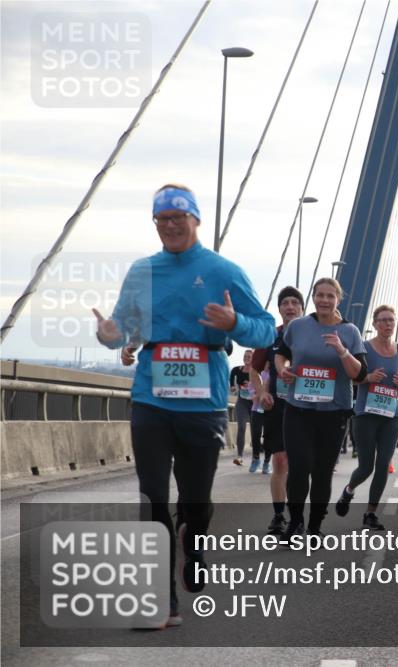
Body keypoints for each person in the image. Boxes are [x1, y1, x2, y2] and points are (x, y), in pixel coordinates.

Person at [94, 183, 274, 627]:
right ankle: (159, 601)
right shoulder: (141, 271)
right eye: (161, 220)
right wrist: (109, 334)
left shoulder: (224, 271)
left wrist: (236, 323)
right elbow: (122, 325)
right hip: (150, 398)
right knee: (151, 494)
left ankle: (192, 540)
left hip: (204, 401)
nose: (170, 226)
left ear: (195, 219)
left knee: (196, 502)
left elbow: (267, 330)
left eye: (178, 218)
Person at [274, 278, 365, 538]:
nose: (324, 300)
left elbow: (359, 375)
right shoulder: (299, 326)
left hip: (333, 412)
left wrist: (342, 351)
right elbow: (281, 354)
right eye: (320, 295)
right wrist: (283, 370)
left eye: (330, 296)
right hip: (297, 408)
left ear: (338, 299)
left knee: (322, 472)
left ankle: (315, 526)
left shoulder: (350, 332)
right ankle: (295, 523)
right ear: (313, 298)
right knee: (299, 467)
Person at [336, 305, 398, 530]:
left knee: (383, 464)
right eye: (383, 320)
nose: (388, 324)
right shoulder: (364, 347)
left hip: (391, 415)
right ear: (375, 324)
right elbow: (351, 377)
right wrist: (368, 377)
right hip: (366, 414)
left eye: (391, 320)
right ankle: (349, 490)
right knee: (366, 466)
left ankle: (370, 513)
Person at [250, 285, 304, 535]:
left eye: (295, 302)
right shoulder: (270, 336)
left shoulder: (312, 335)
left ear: (302, 308)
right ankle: (278, 515)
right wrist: (262, 392)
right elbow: (255, 369)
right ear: (280, 308)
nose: (290, 307)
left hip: (306, 408)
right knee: (280, 461)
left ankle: (297, 515)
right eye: (285, 303)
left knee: (300, 465)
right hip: (278, 408)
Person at [229, 350, 254, 465]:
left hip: (255, 403)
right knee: (242, 427)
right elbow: (232, 373)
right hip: (242, 402)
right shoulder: (237, 369)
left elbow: (265, 381)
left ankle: (256, 456)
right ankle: (239, 456)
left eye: (249, 356)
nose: (246, 358)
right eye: (245, 356)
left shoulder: (256, 371)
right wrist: (232, 386)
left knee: (256, 430)